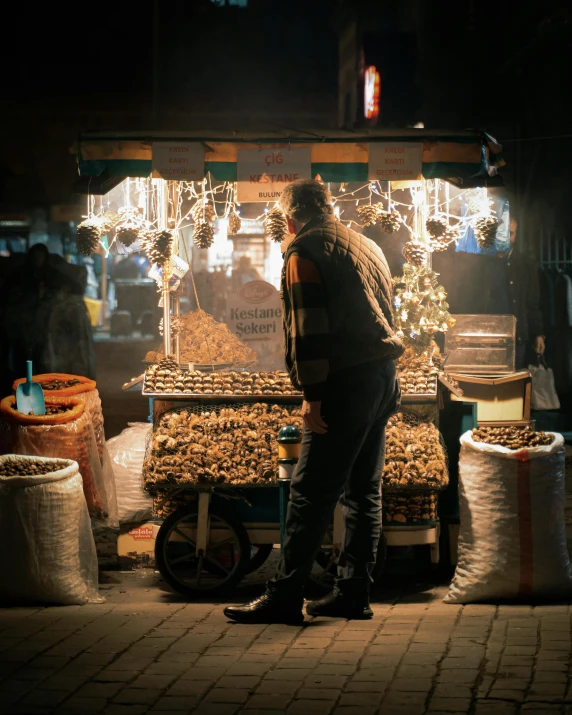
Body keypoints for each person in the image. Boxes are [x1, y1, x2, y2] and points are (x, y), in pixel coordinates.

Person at [224, 179, 403, 625]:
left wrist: (313, 396)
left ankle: (285, 595)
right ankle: (353, 592)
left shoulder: (304, 250)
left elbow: (309, 329)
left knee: (309, 491)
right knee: (364, 491)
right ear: (329, 207)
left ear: (289, 217)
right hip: (382, 377)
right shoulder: (366, 245)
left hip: (344, 382)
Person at [495, 218, 545, 369]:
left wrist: (538, 334)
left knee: (514, 386)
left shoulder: (526, 264)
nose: (506, 237)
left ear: (515, 235)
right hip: (490, 336)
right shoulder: (483, 264)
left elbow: (533, 302)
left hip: (518, 337)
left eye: (510, 233)